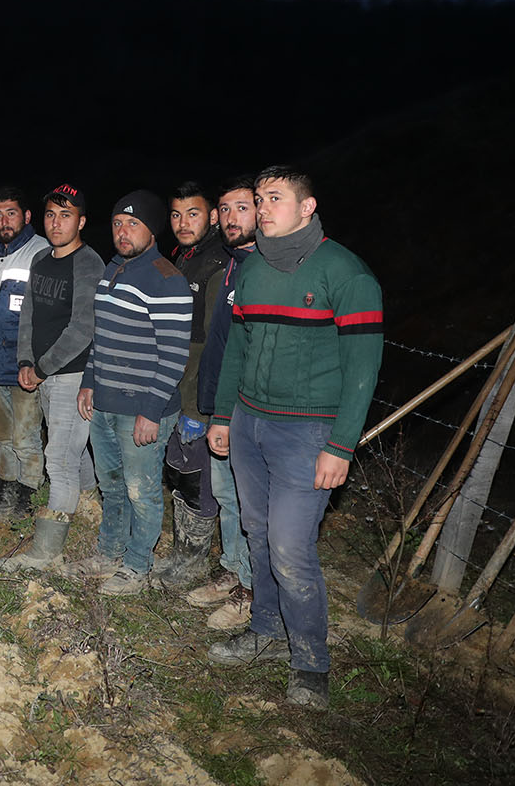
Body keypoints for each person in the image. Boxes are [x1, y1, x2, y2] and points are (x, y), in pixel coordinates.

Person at [207, 166, 382, 711]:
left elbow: (363, 367)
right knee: (255, 531)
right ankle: (264, 629)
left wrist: (341, 445)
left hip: (309, 432)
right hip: (249, 421)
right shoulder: (252, 269)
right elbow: (237, 347)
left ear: (307, 207)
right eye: (258, 199)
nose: (261, 209)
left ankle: (310, 663)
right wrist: (221, 415)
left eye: (274, 199)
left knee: (289, 547)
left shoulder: (346, 273)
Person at [72, 190, 192, 596]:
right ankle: (109, 553)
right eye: (118, 224)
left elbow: (175, 355)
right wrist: (89, 380)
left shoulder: (166, 277)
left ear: (152, 229)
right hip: (105, 401)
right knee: (112, 485)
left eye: (133, 224)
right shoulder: (113, 268)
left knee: (142, 491)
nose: (123, 232)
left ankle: (137, 565)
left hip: (143, 406)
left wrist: (152, 411)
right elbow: (100, 335)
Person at [1, 183, 103, 571]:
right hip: (42, 372)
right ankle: (91, 513)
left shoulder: (89, 263)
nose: (56, 223)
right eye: (50, 215)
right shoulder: (42, 257)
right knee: (71, 451)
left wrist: (43, 368)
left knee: (58, 458)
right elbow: (28, 313)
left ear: (81, 221)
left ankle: (48, 549)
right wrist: (26, 361)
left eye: (66, 215)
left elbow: (83, 327)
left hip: (72, 375)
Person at [185, 176, 259, 630]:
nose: (232, 217)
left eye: (243, 208)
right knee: (229, 498)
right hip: (220, 406)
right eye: (226, 209)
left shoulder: (263, 267)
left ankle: (251, 590)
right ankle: (233, 571)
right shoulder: (233, 264)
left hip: (247, 412)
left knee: (249, 504)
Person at [156, 182, 230, 589]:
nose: (183, 223)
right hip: (173, 385)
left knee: (197, 475)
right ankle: (182, 553)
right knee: (179, 471)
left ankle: (192, 562)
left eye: (194, 214)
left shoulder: (219, 264)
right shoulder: (181, 259)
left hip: (196, 393)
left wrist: (201, 408)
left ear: (213, 216)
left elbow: (213, 344)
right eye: (176, 215)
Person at [0, 187, 52, 521]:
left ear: (27, 216)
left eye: (11, 213)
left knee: (26, 439)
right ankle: (3, 500)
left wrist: (35, 363)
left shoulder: (42, 253)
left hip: (25, 367)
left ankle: (26, 503)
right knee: (4, 438)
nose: (4, 221)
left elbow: (48, 314)